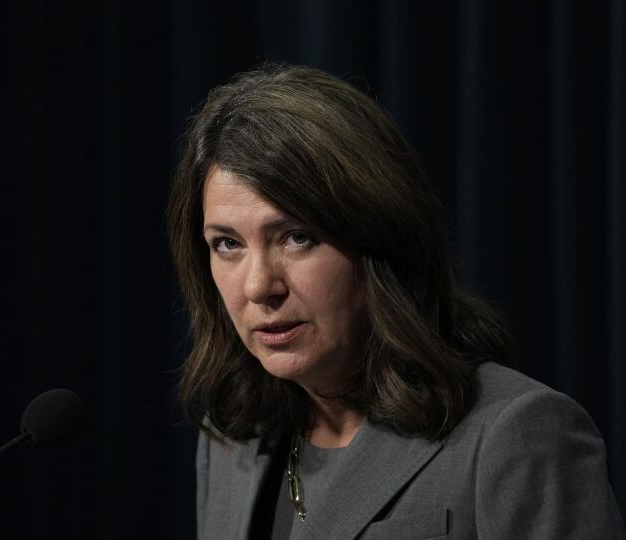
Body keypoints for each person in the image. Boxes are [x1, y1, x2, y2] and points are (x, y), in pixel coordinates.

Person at [166, 63, 625, 539]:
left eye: (297, 237)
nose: (259, 286)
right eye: (227, 244)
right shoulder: (230, 440)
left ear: (377, 237)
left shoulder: (517, 435)